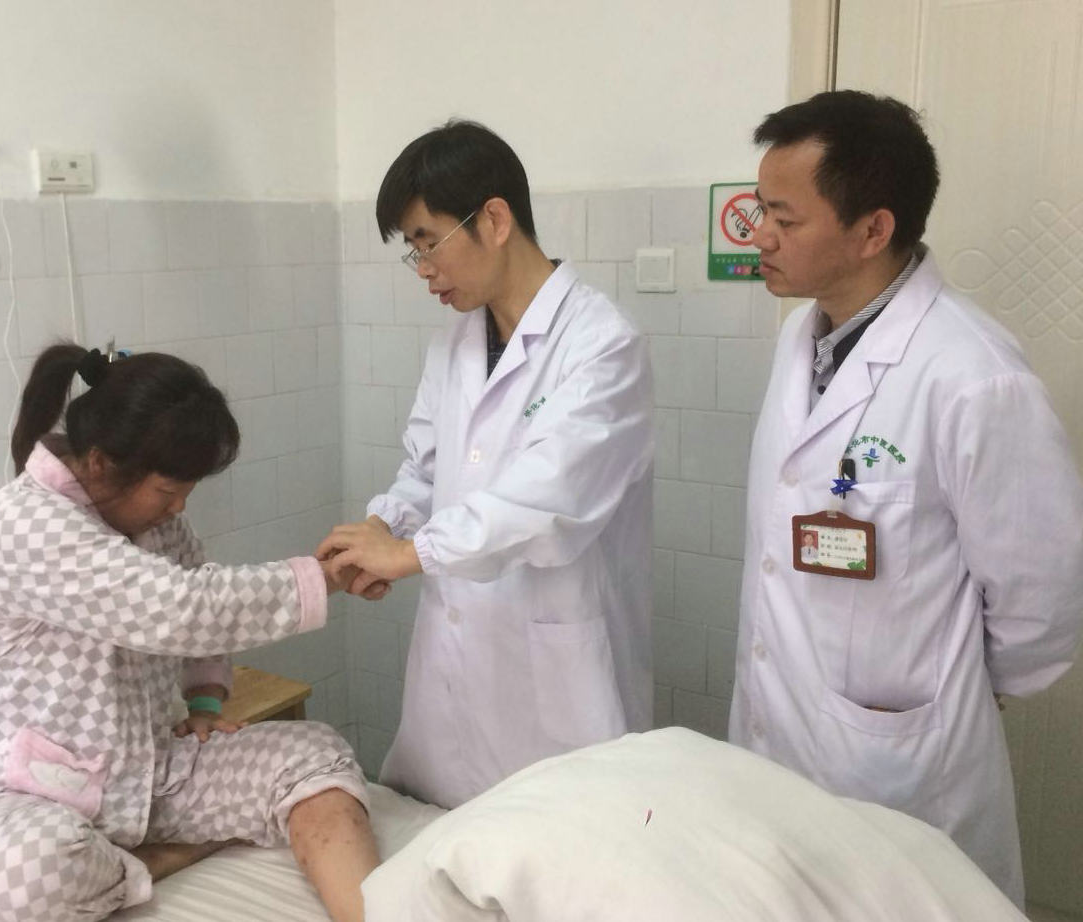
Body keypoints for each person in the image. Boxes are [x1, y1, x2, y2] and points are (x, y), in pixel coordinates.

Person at [731, 90, 1083, 905]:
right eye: (760, 210)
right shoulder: (800, 338)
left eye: (784, 218)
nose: (760, 236)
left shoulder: (972, 375)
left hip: (898, 765)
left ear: (872, 230)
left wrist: (945, 683)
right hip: (779, 734)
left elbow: (1044, 597)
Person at [0, 344, 378, 922]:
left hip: (148, 775)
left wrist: (205, 700)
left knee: (314, 754)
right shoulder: (22, 524)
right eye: (168, 492)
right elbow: (180, 608)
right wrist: (324, 577)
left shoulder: (158, 525)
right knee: (27, 875)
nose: (179, 507)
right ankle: (149, 862)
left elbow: (202, 606)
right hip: (20, 795)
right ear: (99, 464)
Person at [319, 120, 655, 808]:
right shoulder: (455, 344)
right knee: (446, 836)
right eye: (412, 251)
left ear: (494, 220)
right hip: (459, 659)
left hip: (555, 670)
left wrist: (409, 554)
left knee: (564, 841)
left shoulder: (602, 344)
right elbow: (425, 469)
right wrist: (382, 528)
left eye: (427, 242)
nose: (423, 269)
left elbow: (546, 500)